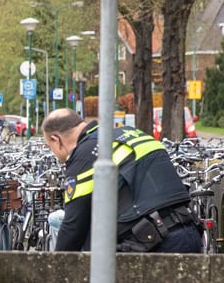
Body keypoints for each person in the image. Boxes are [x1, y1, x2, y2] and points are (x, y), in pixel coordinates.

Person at [40, 108, 201, 253]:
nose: (54, 153)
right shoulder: (130, 134)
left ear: (56, 139)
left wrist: (57, 271)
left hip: (157, 245)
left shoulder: (84, 153)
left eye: (50, 146)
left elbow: (73, 227)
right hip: (189, 231)